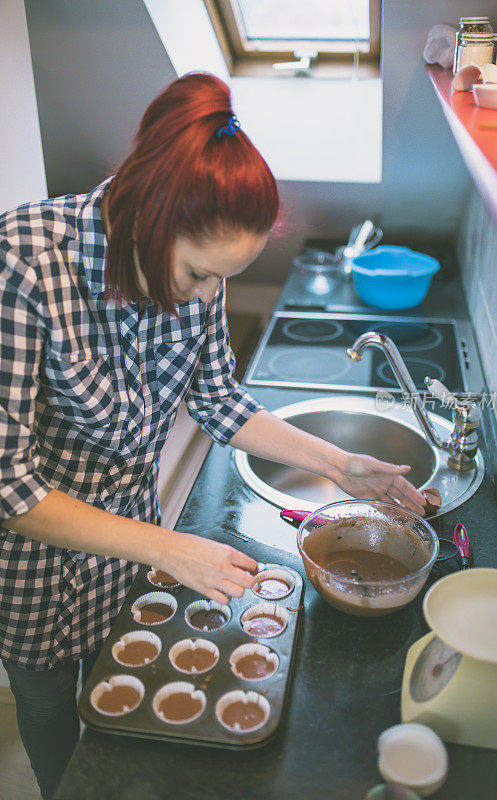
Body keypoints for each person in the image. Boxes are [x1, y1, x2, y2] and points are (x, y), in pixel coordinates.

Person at [0, 72, 425, 799]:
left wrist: (340, 465)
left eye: (218, 280)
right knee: (45, 703)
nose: (205, 296)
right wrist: (168, 547)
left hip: (130, 528)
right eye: (199, 274)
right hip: (39, 551)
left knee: (118, 692)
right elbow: (10, 482)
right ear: (150, 218)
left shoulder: (197, 265)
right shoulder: (25, 262)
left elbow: (219, 399)